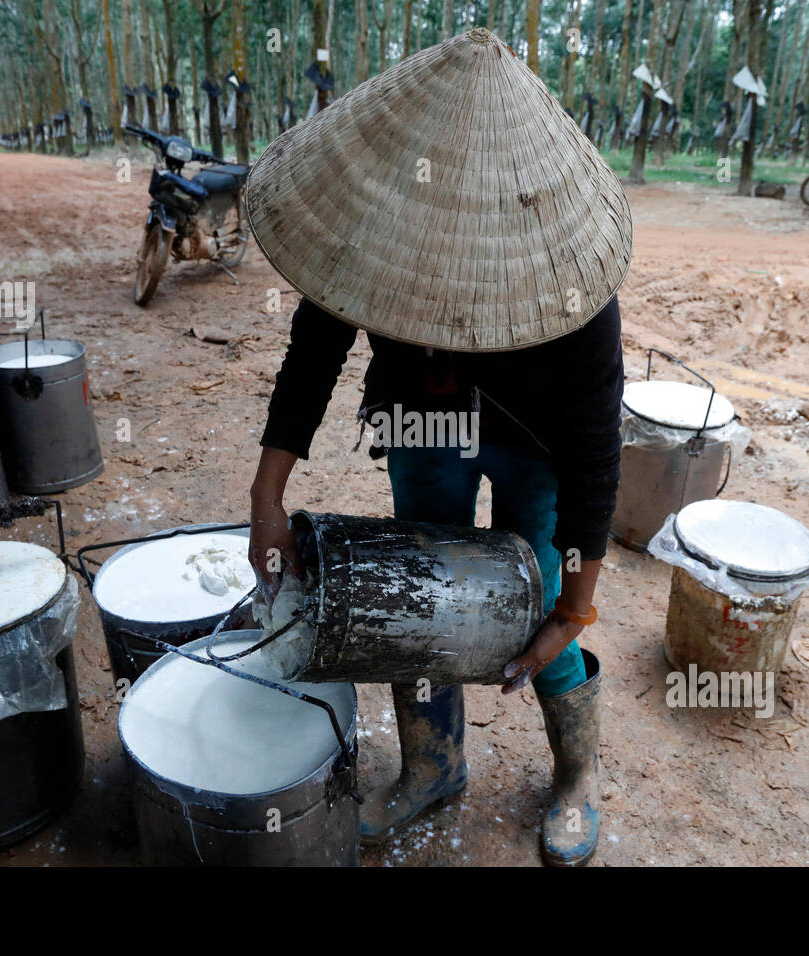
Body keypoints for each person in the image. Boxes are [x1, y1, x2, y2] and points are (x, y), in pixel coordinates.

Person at [244, 28, 632, 867]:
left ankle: (575, 772)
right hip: (423, 428)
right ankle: (434, 765)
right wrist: (265, 501)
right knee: (420, 599)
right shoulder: (372, 229)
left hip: (535, 446)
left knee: (534, 596)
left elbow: (597, 457)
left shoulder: (570, 284)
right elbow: (313, 358)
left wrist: (576, 609)